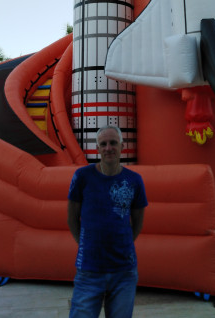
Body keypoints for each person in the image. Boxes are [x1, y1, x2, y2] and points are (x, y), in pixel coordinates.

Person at [67, 125, 148, 318]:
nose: (108, 148)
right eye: (103, 144)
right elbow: (72, 218)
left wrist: (123, 244)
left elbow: (137, 221)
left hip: (124, 272)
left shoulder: (135, 181)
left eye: (113, 143)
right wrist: (86, 244)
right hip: (89, 270)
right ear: (97, 148)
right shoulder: (82, 177)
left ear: (122, 146)